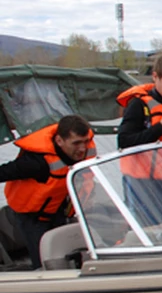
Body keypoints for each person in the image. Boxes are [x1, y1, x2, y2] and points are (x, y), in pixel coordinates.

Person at [0, 115, 96, 269]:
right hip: (32, 217)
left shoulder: (87, 150)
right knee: (45, 261)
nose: (83, 149)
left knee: (72, 253)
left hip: (60, 210)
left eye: (85, 142)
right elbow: (5, 172)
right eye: (76, 143)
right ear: (59, 141)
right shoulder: (37, 163)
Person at [117, 54, 162, 226]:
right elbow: (124, 141)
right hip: (140, 184)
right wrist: (160, 127)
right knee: (146, 229)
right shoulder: (138, 105)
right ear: (155, 77)